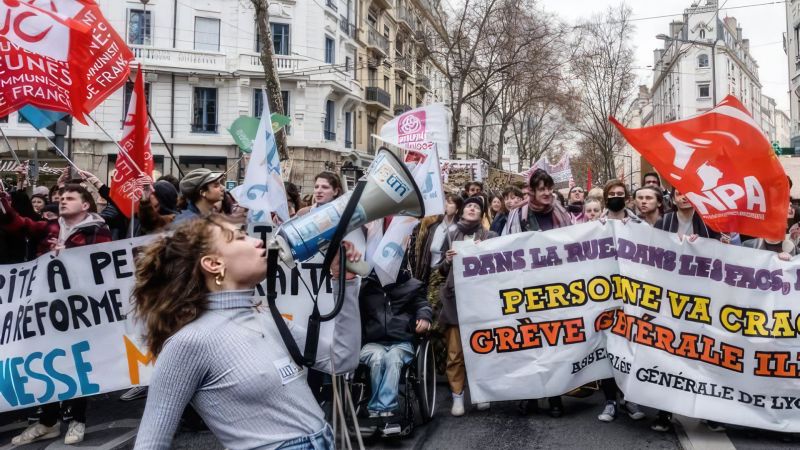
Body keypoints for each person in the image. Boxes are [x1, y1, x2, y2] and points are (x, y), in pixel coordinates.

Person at [132, 215, 362, 448]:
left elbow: (341, 361)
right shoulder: (190, 342)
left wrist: (346, 282)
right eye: (240, 237)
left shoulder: (267, 319)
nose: (258, 241)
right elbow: (150, 443)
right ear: (214, 264)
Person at [3, 184, 111, 445]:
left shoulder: (98, 230)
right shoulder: (49, 227)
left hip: (79, 308)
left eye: (70, 198)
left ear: (85, 205)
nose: (63, 201)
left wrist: (68, 256)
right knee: (45, 361)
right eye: (61, 198)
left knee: (76, 361)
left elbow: (101, 266)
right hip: (47, 307)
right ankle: (48, 421)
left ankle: (77, 420)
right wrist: (3, 201)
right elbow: (17, 224)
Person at [502, 169, 571, 417]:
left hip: (556, 289)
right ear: (531, 191)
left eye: (549, 188)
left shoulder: (561, 213)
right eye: (541, 189)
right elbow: (505, 248)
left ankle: (554, 397)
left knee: (554, 342)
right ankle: (530, 395)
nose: (547, 193)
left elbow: (573, 246)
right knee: (529, 341)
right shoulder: (517, 215)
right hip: (526, 288)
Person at [435, 197, 496, 416]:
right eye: (469, 205)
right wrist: (448, 261)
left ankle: (482, 393)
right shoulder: (450, 235)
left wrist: (486, 252)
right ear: (462, 211)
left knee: (482, 349)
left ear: (482, 214)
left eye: (477, 207)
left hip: (481, 302)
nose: (472, 208)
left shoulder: (491, 237)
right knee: (455, 353)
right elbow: (440, 269)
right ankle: (458, 396)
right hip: (455, 301)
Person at [359, 267, 432, 425]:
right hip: (373, 341)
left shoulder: (413, 286)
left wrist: (424, 317)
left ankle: (384, 408)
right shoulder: (365, 287)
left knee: (393, 358)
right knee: (377, 359)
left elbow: (422, 305)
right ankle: (377, 409)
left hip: (402, 341)